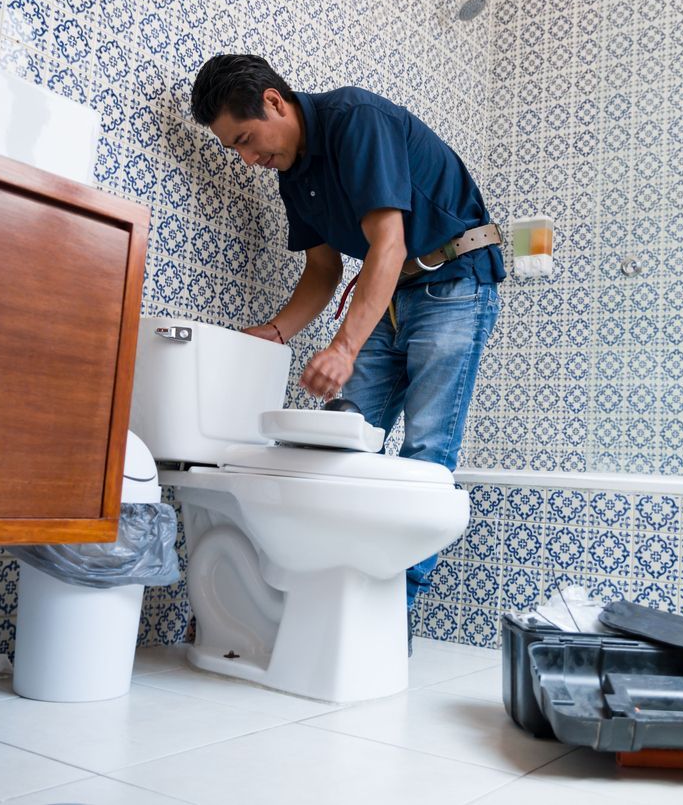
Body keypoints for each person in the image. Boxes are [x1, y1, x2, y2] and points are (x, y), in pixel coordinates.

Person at [190, 54, 504, 650]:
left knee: (426, 451)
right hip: (389, 295)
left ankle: (394, 620)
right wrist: (277, 332)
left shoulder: (354, 118)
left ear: (275, 103)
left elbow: (389, 242)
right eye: (237, 150)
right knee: (340, 443)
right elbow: (323, 267)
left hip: (455, 280)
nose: (248, 160)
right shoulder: (292, 173)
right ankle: (332, 597)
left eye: (246, 140)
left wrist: (342, 346)